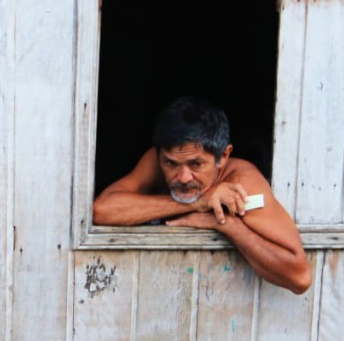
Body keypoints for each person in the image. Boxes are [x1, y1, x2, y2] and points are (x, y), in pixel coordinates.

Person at [93, 97, 312, 294]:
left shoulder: (242, 183)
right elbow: (103, 210)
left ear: (223, 156)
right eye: (171, 163)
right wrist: (199, 202)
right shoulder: (158, 161)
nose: (183, 176)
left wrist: (227, 225)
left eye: (196, 164)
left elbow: (300, 277)